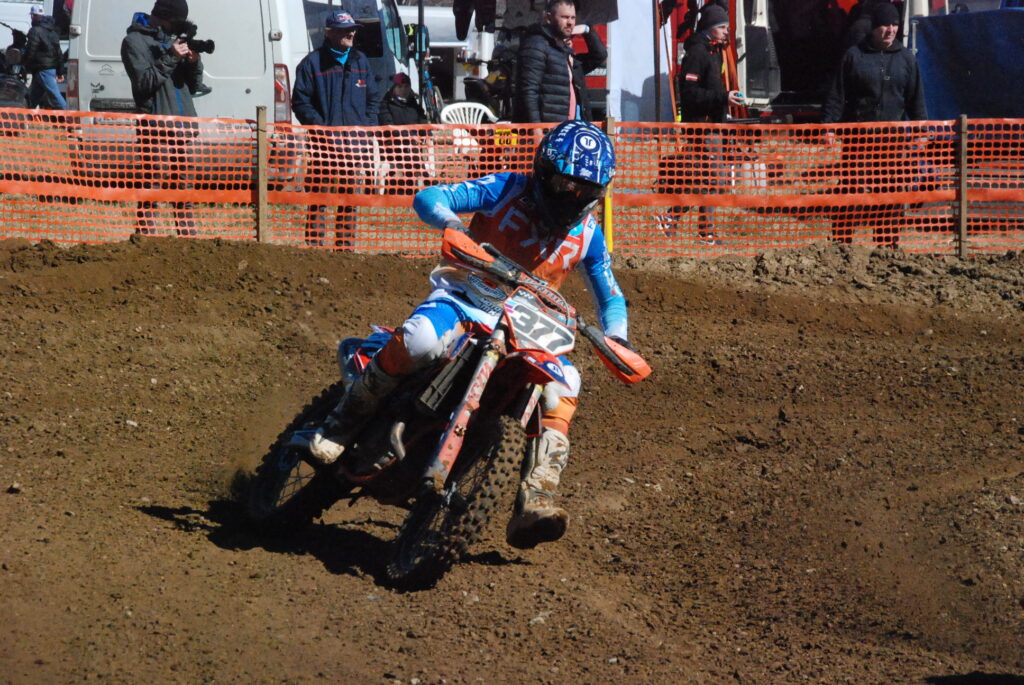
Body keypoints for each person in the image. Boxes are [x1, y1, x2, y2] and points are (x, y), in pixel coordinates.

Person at [310, 120, 630, 550]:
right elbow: (431, 196)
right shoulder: (507, 188)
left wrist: (617, 336)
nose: (572, 196)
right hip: (467, 298)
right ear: (543, 170)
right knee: (422, 339)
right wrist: (451, 223)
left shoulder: (588, 233)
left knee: (567, 381)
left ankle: (537, 495)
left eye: (584, 190)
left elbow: (610, 294)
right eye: (564, 184)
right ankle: (341, 422)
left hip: (530, 326)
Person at [822, 2, 927, 247]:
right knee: (850, 189)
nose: (890, 30)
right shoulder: (854, 56)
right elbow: (837, 94)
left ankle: (886, 243)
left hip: (892, 142)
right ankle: (842, 242)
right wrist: (828, 125)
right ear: (873, 28)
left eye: (894, 25)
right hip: (858, 138)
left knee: (890, 191)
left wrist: (921, 130)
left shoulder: (906, 59)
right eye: (884, 25)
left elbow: (916, 98)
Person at [292, 9, 381, 249]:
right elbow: (300, 102)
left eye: (353, 30)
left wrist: (367, 128)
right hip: (323, 146)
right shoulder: (312, 63)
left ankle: (345, 248)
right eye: (345, 30)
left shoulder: (361, 61)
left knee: (349, 197)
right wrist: (321, 129)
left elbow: (373, 98)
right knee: (319, 195)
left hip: (354, 146)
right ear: (329, 33)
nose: (351, 34)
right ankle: (315, 247)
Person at [121, 0, 204, 237]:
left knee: (185, 185)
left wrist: (194, 63)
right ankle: (145, 237)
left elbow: (193, 86)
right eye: (175, 22)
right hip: (155, 124)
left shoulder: (172, 39)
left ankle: (188, 238)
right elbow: (144, 83)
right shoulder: (133, 41)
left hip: (184, 123)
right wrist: (170, 57)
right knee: (153, 182)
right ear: (162, 16)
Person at [672, 3, 744, 246]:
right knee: (714, 179)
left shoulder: (713, 52)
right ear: (710, 27)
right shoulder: (697, 53)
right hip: (702, 126)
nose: (726, 32)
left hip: (714, 125)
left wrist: (725, 101)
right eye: (722, 27)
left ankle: (698, 228)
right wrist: (723, 98)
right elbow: (689, 93)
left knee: (710, 180)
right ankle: (684, 221)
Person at [514, 0, 607, 123]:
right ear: (549, 18)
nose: (570, 22)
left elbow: (599, 56)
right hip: (547, 129)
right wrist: (537, 129)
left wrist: (587, 30)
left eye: (573, 18)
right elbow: (529, 92)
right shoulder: (536, 44)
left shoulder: (565, 52)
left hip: (571, 127)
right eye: (565, 17)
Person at [23, 5, 66, 110]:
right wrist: (60, 71)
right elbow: (59, 53)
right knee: (32, 98)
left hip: (43, 69)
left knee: (55, 97)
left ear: (32, 16)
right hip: (49, 69)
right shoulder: (52, 31)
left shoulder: (35, 31)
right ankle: (25, 117)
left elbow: (30, 52)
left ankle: (70, 117)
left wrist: (25, 67)